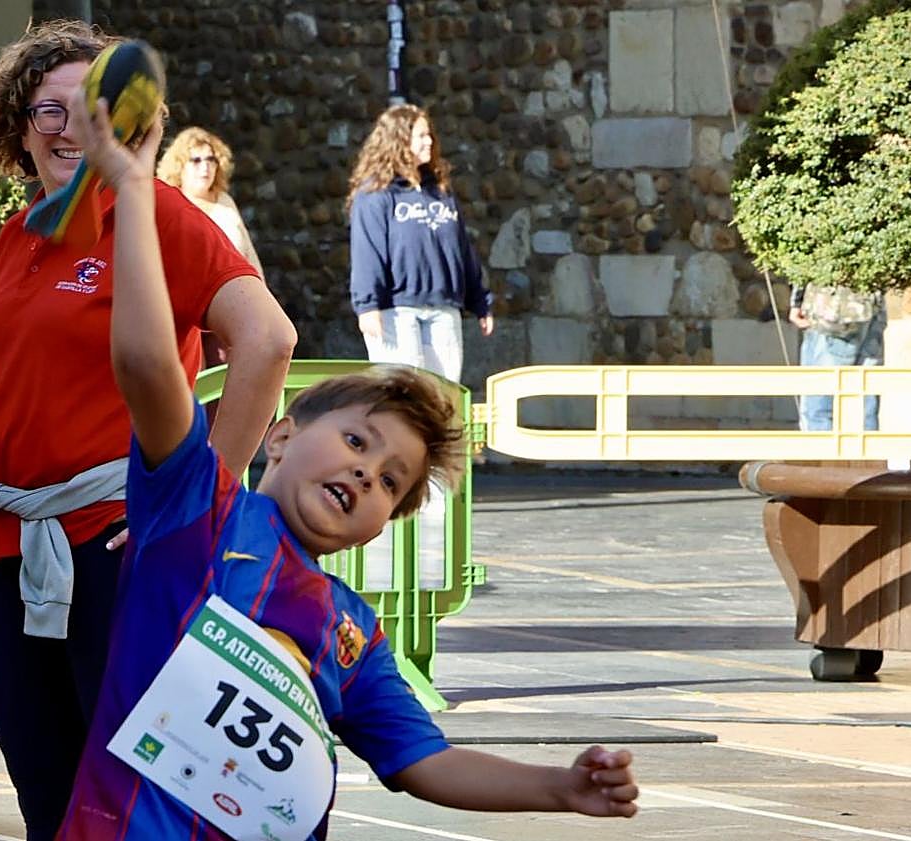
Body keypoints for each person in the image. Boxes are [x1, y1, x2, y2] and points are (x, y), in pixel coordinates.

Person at [54, 84, 639, 840]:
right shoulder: (196, 510)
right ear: (281, 435)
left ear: (380, 526)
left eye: (391, 481)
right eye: (359, 443)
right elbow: (143, 362)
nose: (368, 474)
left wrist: (559, 787)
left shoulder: (351, 630)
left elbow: (422, 759)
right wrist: (134, 189)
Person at [0, 21, 295, 841]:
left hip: (117, 550)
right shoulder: (18, 238)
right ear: (19, 128)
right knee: (44, 793)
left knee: (133, 799)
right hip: (12, 557)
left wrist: (198, 503)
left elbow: (268, 340)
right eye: (49, 112)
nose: (70, 131)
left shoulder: (155, 214)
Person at [347, 104, 494, 384]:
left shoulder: (439, 191)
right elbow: (367, 251)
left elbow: (462, 249)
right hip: (396, 310)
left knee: (442, 395)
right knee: (401, 395)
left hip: (443, 307)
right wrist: (367, 306)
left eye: (430, 135)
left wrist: (480, 301)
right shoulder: (376, 194)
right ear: (400, 140)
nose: (429, 141)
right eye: (421, 135)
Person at [158, 126, 263, 278]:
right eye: (196, 160)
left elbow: (250, 255)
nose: (205, 167)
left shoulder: (224, 200)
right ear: (179, 166)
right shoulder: (170, 205)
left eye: (210, 159)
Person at [788, 282, 886, 430]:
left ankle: (824, 452)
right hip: (870, 308)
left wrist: (796, 302)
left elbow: (802, 262)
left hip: (831, 312)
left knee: (818, 406)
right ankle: (868, 452)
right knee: (864, 403)